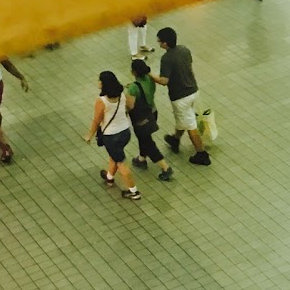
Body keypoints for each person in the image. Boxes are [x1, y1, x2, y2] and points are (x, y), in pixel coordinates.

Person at [154, 27, 210, 165]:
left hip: (180, 97)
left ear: (165, 43)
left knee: (191, 126)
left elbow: (164, 81)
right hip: (193, 91)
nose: (158, 43)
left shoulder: (166, 58)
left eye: (159, 41)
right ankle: (175, 139)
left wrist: (149, 74)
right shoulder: (184, 49)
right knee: (183, 119)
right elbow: (189, 68)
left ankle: (202, 154)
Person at [84, 70, 141, 201]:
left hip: (111, 136)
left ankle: (134, 191)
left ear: (104, 84)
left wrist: (89, 135)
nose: (98, 82)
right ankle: (109, 177)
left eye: (100, 80)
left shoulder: (102, 101)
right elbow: (129, 106)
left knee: (121, 163)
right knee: (115, 156)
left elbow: (97, 120)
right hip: (125, 132)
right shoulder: (121, 94)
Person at [127, 58, 173, 180]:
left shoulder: (133, 87)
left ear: (134, 72)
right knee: (145, 138)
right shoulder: (150, 79)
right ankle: (141, 158)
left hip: (141, 118)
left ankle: (165, 167)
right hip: (153, 112)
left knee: (148, 143)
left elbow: (130, 106)